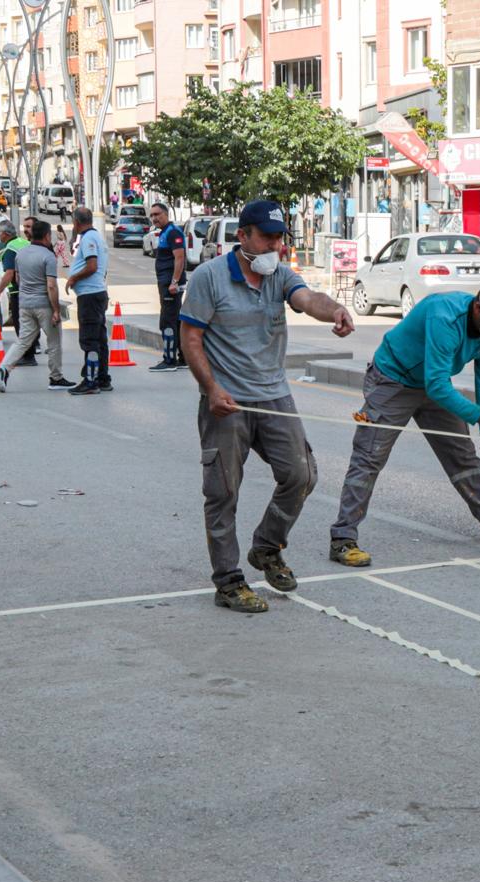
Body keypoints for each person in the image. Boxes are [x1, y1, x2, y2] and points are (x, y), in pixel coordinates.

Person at [180, 200, 356, 613]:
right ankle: (228, 581)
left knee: (301, 473)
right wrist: (211, 389)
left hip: (274, 394)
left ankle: (267, 548)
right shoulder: (209, 278)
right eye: (267, 237)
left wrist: (336, 311)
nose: (275, 246)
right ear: (243, 236)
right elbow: (190, 339)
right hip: (227, 402)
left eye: (280, 238)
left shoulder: (277, 274)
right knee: (222, 492)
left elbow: (307, 297)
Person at [327, 281, 480, 567]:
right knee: (368, 458)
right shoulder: (444, 316)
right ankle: (343, 538)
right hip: (393, 380)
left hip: (433, 384)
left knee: (462, 456)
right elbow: (436, 385)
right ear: (478, 305)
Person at [0, 220, 69, 391]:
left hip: (25, 304)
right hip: (44, 305)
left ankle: (3, 368)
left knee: (22, 341)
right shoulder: (48, 256)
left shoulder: (21, 254)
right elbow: (51, 285)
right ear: (47, 235)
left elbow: (18, 279)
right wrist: (56, 310)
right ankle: (56, 378)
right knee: (54, 341)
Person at [65, 207, 110, 395]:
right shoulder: (96, 237)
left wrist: (73, 278)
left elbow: (92, 266)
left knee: (90, 339)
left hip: (90, 296)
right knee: (99, 338)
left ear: (76, 222)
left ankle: (91, 381)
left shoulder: (88, 238)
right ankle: (102, 377)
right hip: (96, 293)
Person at [0, 219, 38, 368]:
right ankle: (31, 351)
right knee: (30, 323)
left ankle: (28, 356)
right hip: (33, 289)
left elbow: (9, 273)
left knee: (20, 324)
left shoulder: (10, 249)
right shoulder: (24, 243)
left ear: (5, 234)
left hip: (18, 291)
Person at [148, 202, 187, 372]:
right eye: (152, 215)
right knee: (176, 321)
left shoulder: (173, 232)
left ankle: (169, 360)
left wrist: (174, 281)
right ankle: (183, 358)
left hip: (170, 285)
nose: (154, 218)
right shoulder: (165, 232)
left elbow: (180, 258)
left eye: (157, 214)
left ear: (166, 214)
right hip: (166, 283)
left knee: (168, 321)